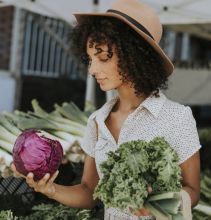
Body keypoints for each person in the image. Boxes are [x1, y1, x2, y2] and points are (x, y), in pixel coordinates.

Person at [12, 0, 201, 219]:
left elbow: (193, 191)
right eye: (90, 59)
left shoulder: (177, 117)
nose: (92, 69)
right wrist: (50, 190)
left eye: (103, 57)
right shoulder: (97, 121)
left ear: (134, 56)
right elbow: (89, 192)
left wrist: (157, 203)